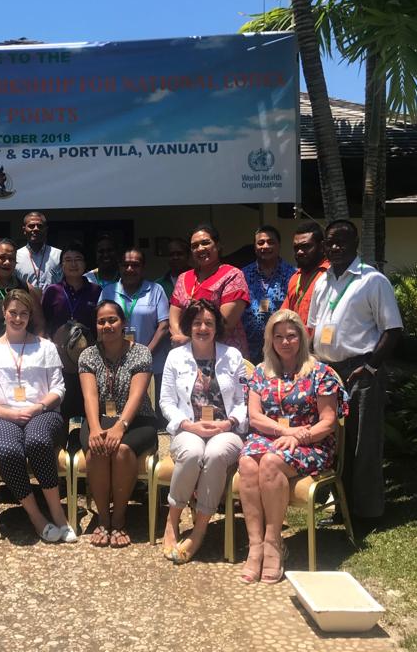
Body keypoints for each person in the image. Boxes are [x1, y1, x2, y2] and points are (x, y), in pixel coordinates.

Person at [307, 220, 403, 531]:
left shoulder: (372, 281)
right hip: (327, 372)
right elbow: (313, 327)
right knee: (336, 444)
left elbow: (392, 329)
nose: (335, 247)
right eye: (330, 242)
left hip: (362, 371)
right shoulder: (322, 282)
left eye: (342, 241)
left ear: (355, 243)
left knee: (364, 443)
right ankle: (342, 508)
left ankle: (368, 513)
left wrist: (371, 366)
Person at [238, 310, 346, 583]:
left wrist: (298, 437)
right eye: (279, 337)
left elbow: (328, 422)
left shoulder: (320, 373)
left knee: (271, 462)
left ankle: (273, 543)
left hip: (311, 441)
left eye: (291, 336)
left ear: (302, 337)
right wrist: (285, 432)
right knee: (247, 462)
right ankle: (255, 545)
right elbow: (254, 416)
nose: (285, 342)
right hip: (272, 436)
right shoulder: (261, 372)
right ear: (270, 340)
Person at [0, 290, 76, 542]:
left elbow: (59, 389)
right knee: (7, 450)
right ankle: (36, 516)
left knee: (38, 441)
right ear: (3, 313)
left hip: (42, 412)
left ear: (30, 316)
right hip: (0, 416)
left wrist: (37, 407)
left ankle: (57, 513)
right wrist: (7, 413)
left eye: (23, 313)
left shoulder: (46, 347)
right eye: (13, 312)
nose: (18, 318)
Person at [159, 300, 248, 564]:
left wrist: (229, 423)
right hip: (189, 428)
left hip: (226, 430)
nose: (202, 328)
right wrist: (187, 425)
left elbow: (244, 400)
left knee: (216, 453)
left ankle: (198, 531)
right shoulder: (176, 357)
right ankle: (172, 521)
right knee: (193, 452)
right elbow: (166, 401)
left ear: (217, 327)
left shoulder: (233, 356)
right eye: (197, 323)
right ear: (188, 326)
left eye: (209, 323)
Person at [78, 301, 158, 548]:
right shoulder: (87, 355)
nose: (107, 325)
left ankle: (120, 517)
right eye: (101, 321)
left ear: (123, 323)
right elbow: (90, 396)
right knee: (97, 448)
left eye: (112, 320)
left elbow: (137, 396)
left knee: (122, 450)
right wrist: (94, 428)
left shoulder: (141, 353)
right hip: (99, 417)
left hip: (138, 418)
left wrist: (120, 426)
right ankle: (104, 518)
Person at [168, 224, 250, 358]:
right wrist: (180, 338)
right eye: (194, 246)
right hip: (188, 355)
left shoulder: (232, 275)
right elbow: (174, 314)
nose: (200, 248)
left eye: (205, 243)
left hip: (224, 355)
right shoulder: (183, 277)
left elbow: (225, 324)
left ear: (218, 245)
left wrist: (188, 340)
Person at [41, 242, 101, 423]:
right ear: (61, 265)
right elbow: (44, 323)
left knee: (87, 402)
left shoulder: (96, 291)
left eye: (78, 259)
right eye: (68, 260)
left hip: (88, 358)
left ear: (85, 264)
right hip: (59, 359)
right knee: (63, 404)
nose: (73, 264)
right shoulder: (52, 291)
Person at [100, 248, 169, 389]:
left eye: (135, 265)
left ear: (143, 267)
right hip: (116, 365)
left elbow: (164, 326)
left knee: (151, 403)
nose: (130, 269)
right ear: (119, 267)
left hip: (151, 364)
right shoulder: (108, 291)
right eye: (125, 265)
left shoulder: (156, 290)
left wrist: (144, 355)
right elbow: (101, 324)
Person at [241, 226, 296, 363]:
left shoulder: (293, 275)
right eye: (261, 243)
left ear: (279, 245)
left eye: (271, 242)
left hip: (282, 347)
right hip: (250, 348)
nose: (265, 246)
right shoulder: (242, 275)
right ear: (255, 247)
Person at [282, 221, 329, 328]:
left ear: (321, 246)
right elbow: (284, 314)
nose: (299, 252)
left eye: (306, 246)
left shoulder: (331, 275)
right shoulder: (295, 277)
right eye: (296, 247)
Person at [15, 211, 62, 292]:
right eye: (31, 226)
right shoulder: (15, 256)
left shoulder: (58, 254)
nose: (36, 229)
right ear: (24, 230)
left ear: (46, 230)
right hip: (25, 300)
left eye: (40, 226)